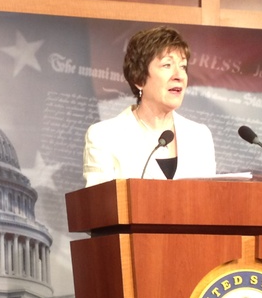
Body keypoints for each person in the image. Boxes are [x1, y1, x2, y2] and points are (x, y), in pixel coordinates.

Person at [83, 25, 216, 186]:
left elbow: (210, 203)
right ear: (139, 79)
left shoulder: (199, 137)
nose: (179, 75)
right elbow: (100, 206)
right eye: (167, 65)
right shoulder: (105, 137)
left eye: (183, 66)